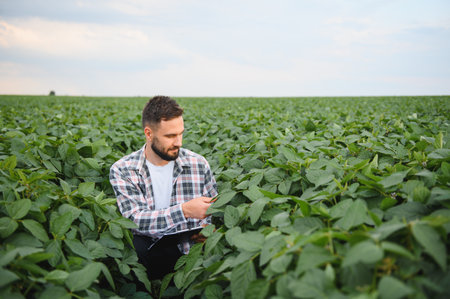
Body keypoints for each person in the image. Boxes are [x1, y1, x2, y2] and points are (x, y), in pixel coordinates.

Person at [109, 96, 218, 280]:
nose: (179, 142)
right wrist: (184, 211)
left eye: (180, 133)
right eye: (170, 136)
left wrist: (209, 231)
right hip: (147, 253)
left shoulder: (198, 164)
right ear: (149, 133)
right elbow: (135, 219)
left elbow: (215, 208)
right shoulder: (123, 169)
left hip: (188, 251)